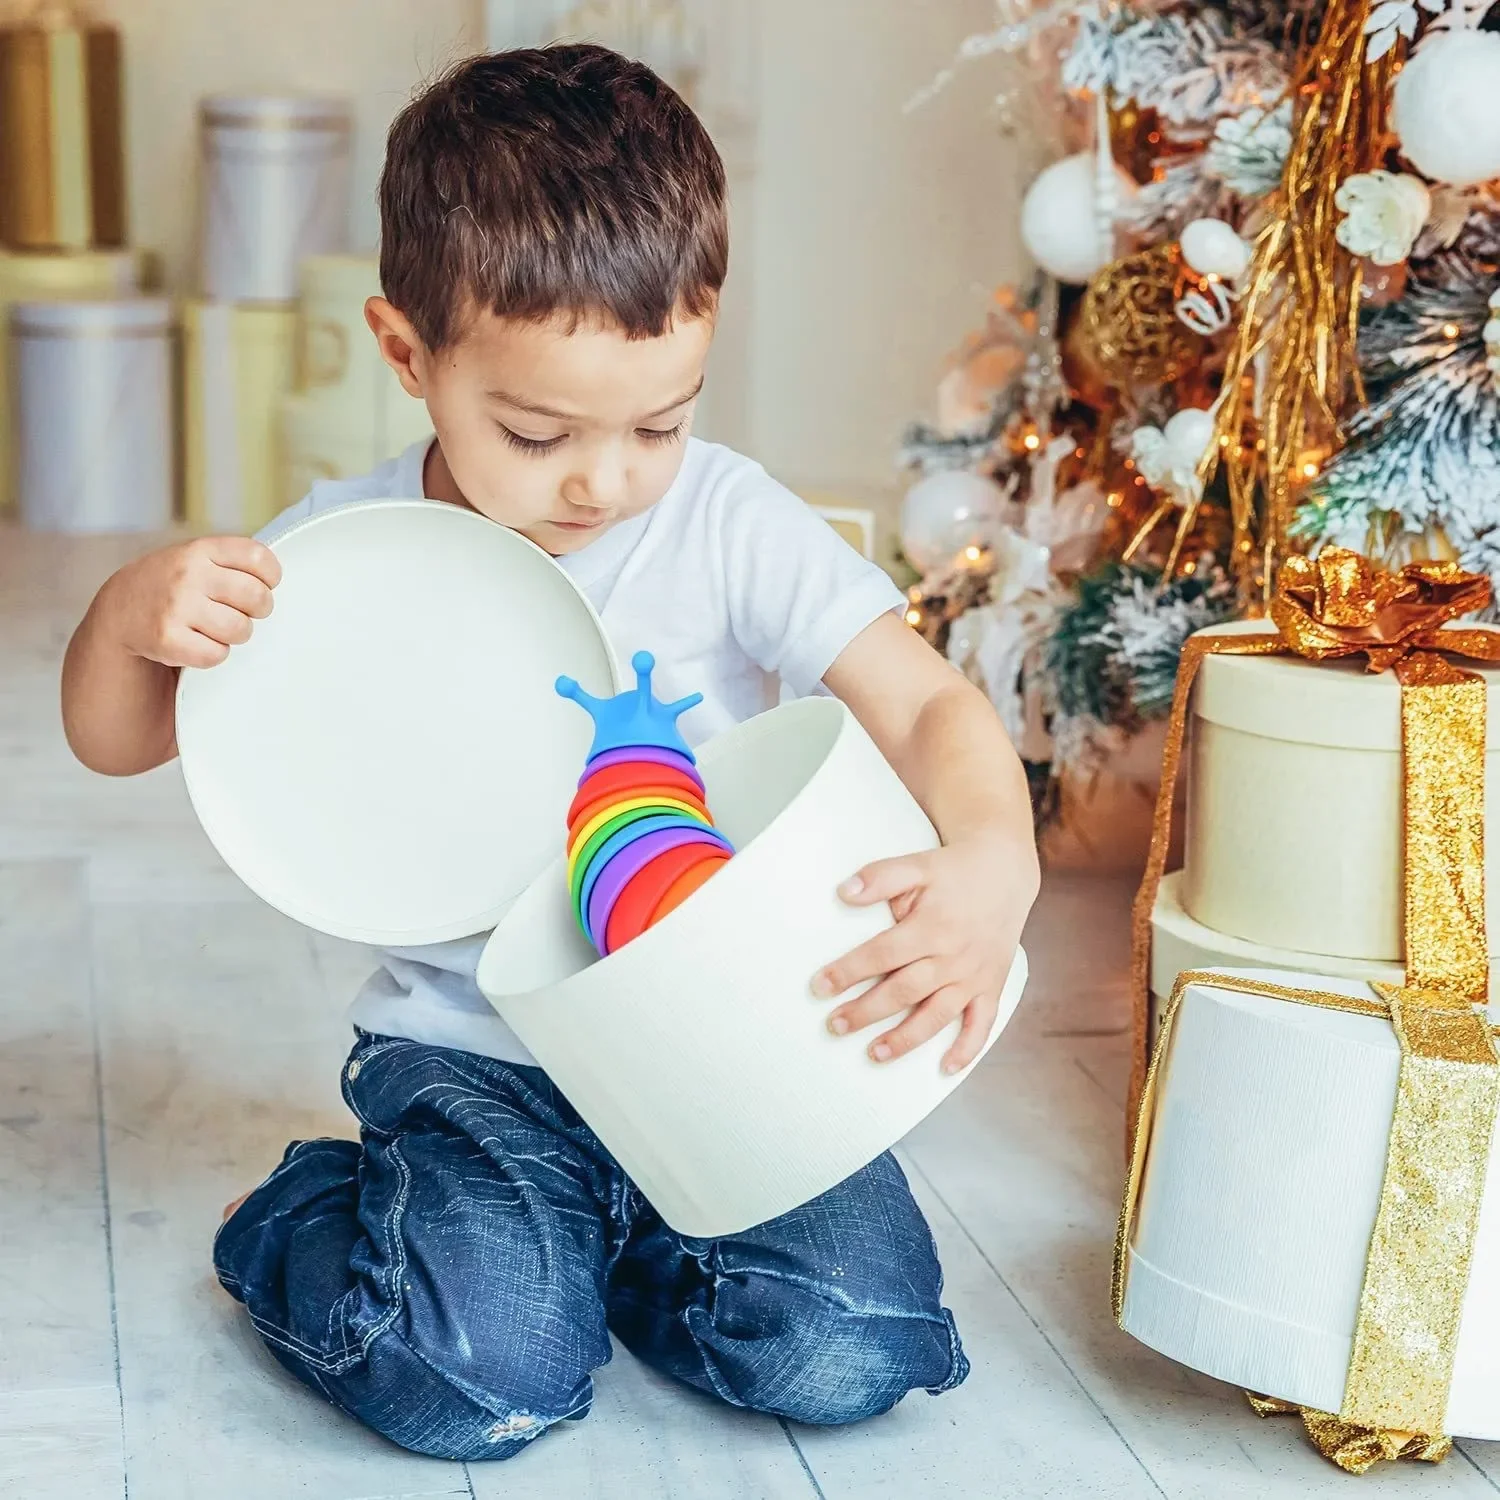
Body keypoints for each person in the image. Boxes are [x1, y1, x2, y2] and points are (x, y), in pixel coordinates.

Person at [60, 45, 1040, 1462]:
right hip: (478, 1066)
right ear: (409, 355)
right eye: (537, 431)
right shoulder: (350, 558)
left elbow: (929, 704)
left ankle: (603, 1258)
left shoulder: (725, 520)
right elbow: (118, 742)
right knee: (478, 1388)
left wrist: (992, 859)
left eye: (660, 418)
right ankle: (299, 1221)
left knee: (857, 1343)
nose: (604, 478)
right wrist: (125, 621)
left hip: (721, 1039)